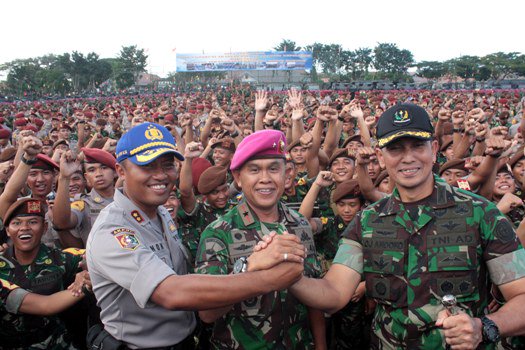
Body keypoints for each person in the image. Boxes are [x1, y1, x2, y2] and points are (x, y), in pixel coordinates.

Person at [260, 104, 525, 349]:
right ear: (380, 155)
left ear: (434, 150)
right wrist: (289, 276)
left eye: (417, 146)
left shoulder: (480, 213)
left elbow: (521, 296)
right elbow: (334, 292)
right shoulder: (367, 221)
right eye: (396, 148)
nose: (407, 158)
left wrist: (486, 326)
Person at [86, 122, 306, 350]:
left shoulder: (159, 212)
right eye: (148, 166)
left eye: (168, 165)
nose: (160, 175)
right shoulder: (113, 230)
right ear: (121, 171)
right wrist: (262, 274)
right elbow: (172, 292)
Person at [195, 129, 324, 349]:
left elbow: (315, 296)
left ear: (287, 174)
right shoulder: (218, 232)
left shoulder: (300, 224)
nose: (265, 179)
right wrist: (248, 268)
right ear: (237, 177)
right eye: (254, 170)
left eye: (274, 169)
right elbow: (207, 313)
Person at [0, 198, 86, 349]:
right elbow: (46, 305)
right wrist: (84, 286)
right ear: (7, 230)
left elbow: (101, 256)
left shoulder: (62, 258)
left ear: (45, 227)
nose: (24, 228)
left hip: (57, 343)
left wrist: (87, 272)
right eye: (16, 223)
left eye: (33, 222)